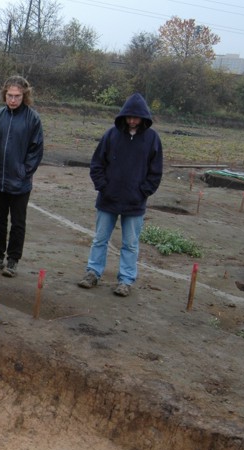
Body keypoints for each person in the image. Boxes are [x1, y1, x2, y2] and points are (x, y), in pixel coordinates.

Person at [77, 92, 163, 297]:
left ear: (143, 117)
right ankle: (93, 272)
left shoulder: (152, 139)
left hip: (135, 203)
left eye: (136, 117)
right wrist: (104, 187)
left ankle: (125, 280)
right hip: (108, 199)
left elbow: (155, 172)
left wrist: (143, 192)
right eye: (129, 117)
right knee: (100, 239)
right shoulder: (111, 135)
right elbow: (97, 163)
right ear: (123, 116)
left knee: (130, 244)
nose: (132, 121)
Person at [0, 75, 44, 277]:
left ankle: (13, 259)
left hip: (20, 182)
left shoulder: (33, 119)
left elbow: (36, 150)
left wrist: (24, 172)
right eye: (10, 95)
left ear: (25, 96)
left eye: (17, 96)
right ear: (4, 95)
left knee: (18, 222)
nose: (13, 100)